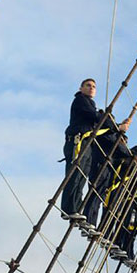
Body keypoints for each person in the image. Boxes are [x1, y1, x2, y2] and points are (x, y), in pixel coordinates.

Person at [61, 79, 100, 221]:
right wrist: (107, 118)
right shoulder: (80, 100)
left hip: (87, 143)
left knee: (82, 176)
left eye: (94, 87)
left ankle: (76, 209)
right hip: (77, 142)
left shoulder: (90, 104)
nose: (91, 88)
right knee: (75, 174)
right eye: (88, 86)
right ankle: (68, 209)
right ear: (81, 88)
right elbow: (94, 117)